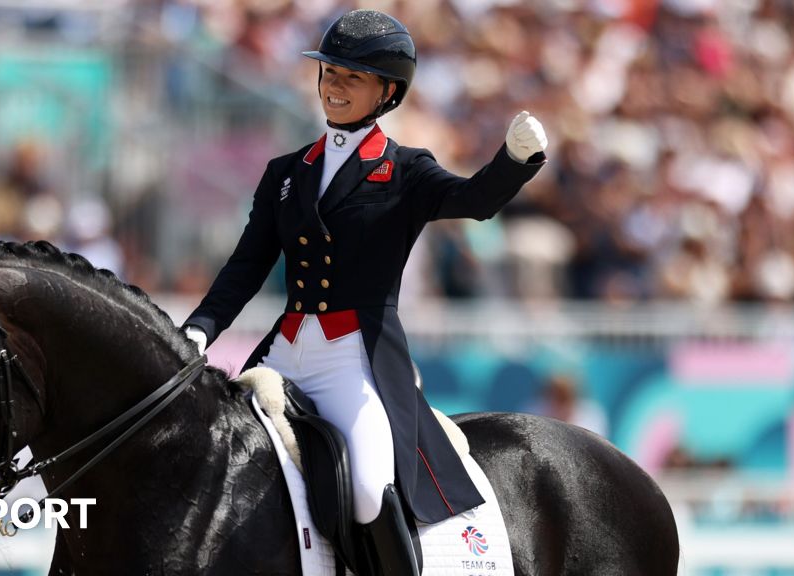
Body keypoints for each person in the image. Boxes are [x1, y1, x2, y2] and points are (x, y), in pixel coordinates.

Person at [182, 10, 547, 575]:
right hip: (285, 352)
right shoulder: (286, 172)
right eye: (329, 72)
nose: (334, 85)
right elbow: (247, 264)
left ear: (388, 92)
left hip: (352, 360)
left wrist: (516, 162)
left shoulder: (405, 171)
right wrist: (200, 328)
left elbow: (475, 200)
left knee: (372, 489)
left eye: (352, 77)